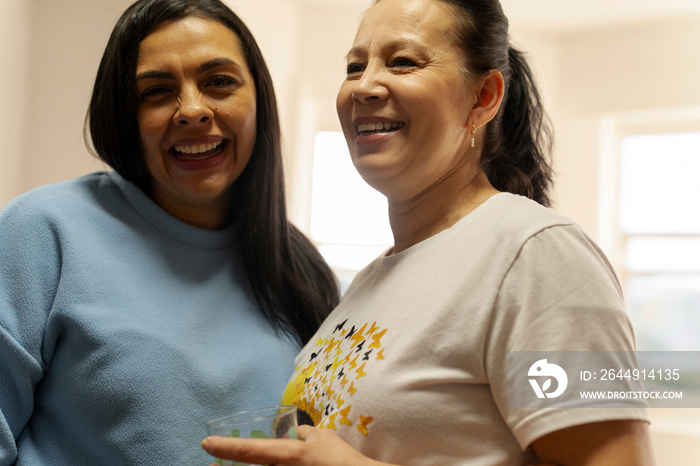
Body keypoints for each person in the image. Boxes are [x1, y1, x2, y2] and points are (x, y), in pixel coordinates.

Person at [200, 0, 656, 464]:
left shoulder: (536, 254)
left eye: (403, 62)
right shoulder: (370, 282)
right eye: (355, 66)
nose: (365, 85)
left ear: (483, 98)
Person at [0, 0, 339, 464]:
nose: (192, 110)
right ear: (126, 117)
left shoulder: (300, 269)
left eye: (219, 82)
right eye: (157, 91)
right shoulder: (43, 232)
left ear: (258, 98)